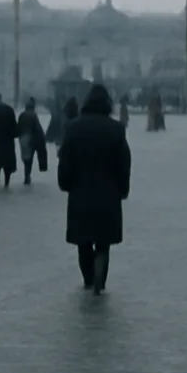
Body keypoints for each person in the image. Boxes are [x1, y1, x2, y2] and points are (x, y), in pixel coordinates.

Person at [57, 85, 132, 294]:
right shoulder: (116, 129)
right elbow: (124, 163)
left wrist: (65, 183)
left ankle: (89, 278)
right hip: (108, 194)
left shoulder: (73, 128)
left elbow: (65, 160)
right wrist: (123, 189)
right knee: (103, 241)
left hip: (80, 193)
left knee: (83, 240)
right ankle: (100, 277)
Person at [16, 97, 48, 184]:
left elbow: (18, 128)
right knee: (31, 158)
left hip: (23, 139)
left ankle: (26, 176)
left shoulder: (22, 115)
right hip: (32, 139)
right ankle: (28, 176)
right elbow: (38, 129)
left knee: (26, 159)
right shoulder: (34, 115)